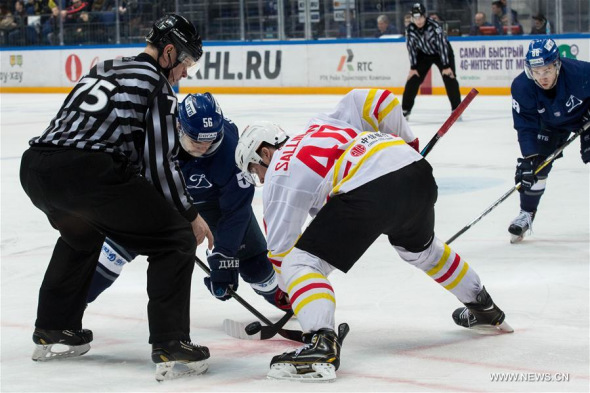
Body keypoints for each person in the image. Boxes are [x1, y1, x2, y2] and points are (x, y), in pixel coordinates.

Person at [234, 88, 512, 382]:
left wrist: (291, 295)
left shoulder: (279, 168)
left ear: (265, 152)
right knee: (421, 251)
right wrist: (409, 143)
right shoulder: (322, 124)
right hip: (414, 169)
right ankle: (483, 306)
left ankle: (321, 343)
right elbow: (376, 101)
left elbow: (280, 252)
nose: (260, 178)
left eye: (254, 170)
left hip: (369, 189)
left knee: (299, 265)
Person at [19, 13, 213, 381]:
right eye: (186, 62)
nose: (186, 72)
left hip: (37, 168)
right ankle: (171, 343)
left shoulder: (104, 66)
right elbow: (159, 166)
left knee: (82, 234)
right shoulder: (156, 83)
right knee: (173, 239)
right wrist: (190, 216)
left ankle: (54, 326)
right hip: (87, 172)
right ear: (168, 53)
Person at [87, 93, 291, 311]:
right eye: (196, 142)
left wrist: (225, 256)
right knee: (112, 253)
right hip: (160, 200)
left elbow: (237, 211)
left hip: (215, 207)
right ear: (179, 127)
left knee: (255, 267)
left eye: (210, 140)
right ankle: (69, 308)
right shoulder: (155, 135)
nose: (203, 148)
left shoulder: (231, 150)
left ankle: (294, 303)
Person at [509, 38, 590, 243]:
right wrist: (530, 156)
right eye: (536, 72)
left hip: (584, 117)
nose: (542, 77)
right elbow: (525, 125)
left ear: (557, 64)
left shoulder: (581, 73)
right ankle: (526, 213)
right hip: (549, 124)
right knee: (536, 168)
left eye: (546, 70)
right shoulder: (521, 86)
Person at [402, 2, 461, 121]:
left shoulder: (435, 26)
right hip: (424, 54)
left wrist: (446, 65)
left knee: (449, 77)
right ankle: (405, 110)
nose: (418, 20)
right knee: (413, 79)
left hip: (441, 54)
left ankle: (456, 109)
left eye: (420, 17)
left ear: (425, 15)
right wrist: (413, 67)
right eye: (415, 18)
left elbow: (443, 45)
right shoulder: (410, 29)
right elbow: (411, 48)